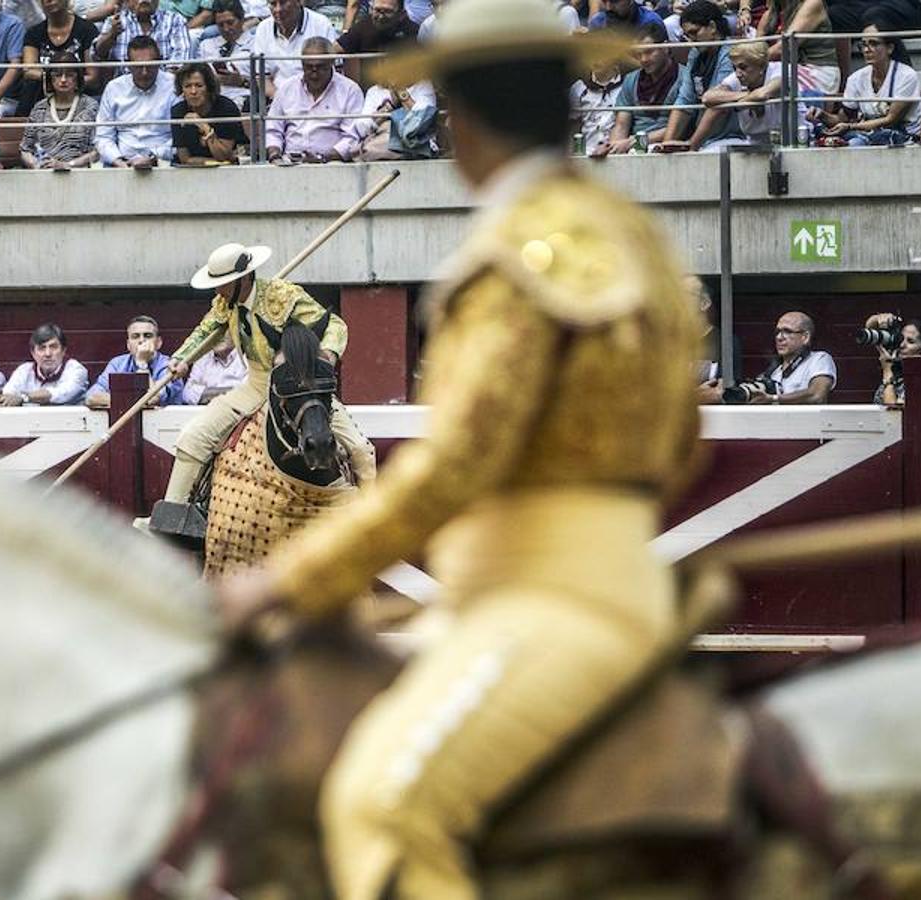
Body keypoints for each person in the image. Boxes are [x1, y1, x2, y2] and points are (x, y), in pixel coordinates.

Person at [214, 1, 704, 896]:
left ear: (463, 123)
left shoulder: (519, 253)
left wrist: (287, 579)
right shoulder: (635, 234)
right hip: (591, 587)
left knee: (381, 805)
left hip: (543, 606)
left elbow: (456, 464)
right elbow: (682, 443)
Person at [159, 241, 376, 506]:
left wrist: (328, 353)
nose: (217, 290)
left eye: (223, 283)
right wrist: (181, 358)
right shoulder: (224, 303)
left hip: (297, 385)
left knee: (360, 449)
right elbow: (206, 332)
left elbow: (333, 323)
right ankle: (171, 513)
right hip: (256, 385)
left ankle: (373, 516)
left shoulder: (282, 295)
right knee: (193, 438)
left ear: (243, 279)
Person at [814, 20, 921, 147]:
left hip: (902, 136)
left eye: (873, 44)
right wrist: (822, 115)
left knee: (856, 143)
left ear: (890, 48)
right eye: (863, 45)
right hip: (868, 134)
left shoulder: (907, 76)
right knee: (824, 136)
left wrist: (850, 126)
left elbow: (890, 120)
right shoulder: (856, 78)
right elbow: (843, 118)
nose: (867, 50)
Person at [656, 0, 742, 152]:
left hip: (730, 137)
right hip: (702, 140)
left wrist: (692, 147)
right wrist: (667, 144)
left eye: (695, 33)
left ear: (713, 27)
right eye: (688, 35)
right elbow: (684, 101)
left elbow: (718, 106)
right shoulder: (695, 54)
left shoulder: (731, 52)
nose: (691, 40)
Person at [591, 21, 684, 156]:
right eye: (638, 54)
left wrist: (631, 142)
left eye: (649, 52)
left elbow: (680, 127)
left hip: (669, 149)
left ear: (665, 47)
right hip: (634, 150)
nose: (643, 59)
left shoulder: (684, 78)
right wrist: (612, 148)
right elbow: (621, 125)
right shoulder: (631, 79)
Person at [266, 37, 363, 163]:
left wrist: (323, 158)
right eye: (308, 67)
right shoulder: (287, 88)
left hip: (333, 164)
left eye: (320, 67)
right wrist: (275, 155)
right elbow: (273, 129)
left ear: (332, 62)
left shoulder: (350, 90)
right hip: (289, 162)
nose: (314, 73)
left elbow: (352, 137)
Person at [705, 311, 835, 403]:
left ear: (805, 337)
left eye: (787, 331)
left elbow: (817, 394)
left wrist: (773, 399)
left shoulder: (819, 359)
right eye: (777, 332)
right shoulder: (773, 373)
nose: (779, 337)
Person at [95, 36, 176, 167]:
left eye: (149, 66)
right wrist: (117, 160)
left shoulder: (173, 85)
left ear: (160, 61)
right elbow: (103, 136)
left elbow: (179, 137)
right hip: (120, 163)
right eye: (138, 67)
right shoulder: (114, 88)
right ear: (127, 64)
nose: (144, 72)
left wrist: (154, 157)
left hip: (163, 162)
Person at [701, 40, 799, 147]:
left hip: (791, 141)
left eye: (743, 67)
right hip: (754, 143)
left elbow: (762, 94)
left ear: (761, 66)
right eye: (734, 68)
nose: (738, 74)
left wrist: (734, 102)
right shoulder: (738, 77)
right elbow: (707, 98)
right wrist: (745, 97)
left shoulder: (781, 71)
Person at [20, 51, 99, 167]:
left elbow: (98, 150)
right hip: (44, 174)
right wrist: (36, 165)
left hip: (80, 175)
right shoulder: (40, 108)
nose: (63, 80)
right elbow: (25, 149)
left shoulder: (90, 107)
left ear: (78, 78)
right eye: (57, 75)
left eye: (69, 75)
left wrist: (68, 165)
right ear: (50, 79)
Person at [85, 316, 184, 408]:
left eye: (148, 336)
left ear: (158, 343)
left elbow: (151, 399)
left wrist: (142, 364)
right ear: (128, 345)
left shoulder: (170, 365)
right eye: (135, 336)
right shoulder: (117, 363)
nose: (141, 340)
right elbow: (91, 397)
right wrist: (131, 402)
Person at [19, 0, 102, 109]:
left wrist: (65, 82)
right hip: (43, 98)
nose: (49, 1)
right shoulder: (34, 33)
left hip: (81, 97)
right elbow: (28, 71)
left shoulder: (87, 30)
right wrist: (56, 81)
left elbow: (93, 77)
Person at [251, 0, 339, 97]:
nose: (278, 9)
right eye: (273, 4)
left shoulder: (321, 24)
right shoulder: (263, 28)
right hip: (277, 98)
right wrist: (282, 100)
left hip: (318, 96)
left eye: (283, 2)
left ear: (299, 2)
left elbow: (333, 71)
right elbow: (262, 77)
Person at [0, 323, 90, 405]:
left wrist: (23, 398)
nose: (48, 354)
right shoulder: (24, 370)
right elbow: (8, 394)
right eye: (42, 348)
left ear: (63, 351)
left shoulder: (76, 369)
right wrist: (1, 400)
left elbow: (61, 394)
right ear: (33, 353)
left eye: (53, 347)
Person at [759, 0, 837, 96]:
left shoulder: (813, 3)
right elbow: (755, 48)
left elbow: (783, 48)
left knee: (771, 74)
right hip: (784, 69)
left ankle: (749, 97)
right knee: (743, 76)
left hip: (816, 71)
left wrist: (752, 60)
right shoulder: (770, 14)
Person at [172, 62, 244, 163]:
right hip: (192, 172)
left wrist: (205, 127)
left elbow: (223, 155)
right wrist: (213, 162)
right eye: (188, 86)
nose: (193, 91)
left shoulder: (226, 108)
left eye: (199, 85)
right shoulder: (178, 111)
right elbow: (185, 159)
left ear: (209, 87)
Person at [92, 0, 192, 72]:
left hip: (165, 85)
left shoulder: (174, 19)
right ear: (127, 1)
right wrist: (112, 35)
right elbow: (97, 56)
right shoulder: (115, 21)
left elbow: (180, 60)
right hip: (123, 86)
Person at [334, 0, 417, 86]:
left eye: (387, 12)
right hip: (369, 92)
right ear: (371, 9)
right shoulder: (363, 26)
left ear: (401, 14)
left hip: (405, 88)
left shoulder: (412, 32)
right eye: (377, 10)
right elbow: (335, 49)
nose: (381, 16)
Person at [866, 314, 921, 406]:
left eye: (910, 341)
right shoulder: (897, 360)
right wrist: (880, 318)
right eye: (901, 338)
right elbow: (869, 331)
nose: (902, 345)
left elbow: (894, 410)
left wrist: (887, 373)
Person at [197, 0, 254, 109]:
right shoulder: (206, 45)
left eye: (230, 22)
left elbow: (267, 82)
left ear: (242, 20)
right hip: (210, 100)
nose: (226, 29)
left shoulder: (256, 44)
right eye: (220, 24)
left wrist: (242, 81)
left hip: (243, 99)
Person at [568, 59, 621, 155]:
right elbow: (573, 127)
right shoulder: (579, 88)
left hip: (616, 152)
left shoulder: (626, 85)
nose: (595, 59)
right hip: (586, 152)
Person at [181, 333, 247, 405]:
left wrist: (204, 394)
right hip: (205, 412)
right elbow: (187, 394)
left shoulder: (248, 358)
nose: (218, 336)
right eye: (213, 332)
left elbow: (247, 394)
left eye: (224, 331)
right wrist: (231, 392)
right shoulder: (202, 358)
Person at [587, 0, 663, 29]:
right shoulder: (597, 22)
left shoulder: (651, 23)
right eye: (604, 1)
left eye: (614, 1)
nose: (608, 7)